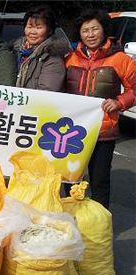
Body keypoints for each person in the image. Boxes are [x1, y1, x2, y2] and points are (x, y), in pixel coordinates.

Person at [65, 9, 136, 209]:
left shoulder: (120, 59)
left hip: (103, 132)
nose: (90, 34)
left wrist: (120, 103)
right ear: (79, 33)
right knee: (68, 180)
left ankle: (99, 229)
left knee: (100, 181)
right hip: (70, 133)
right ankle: (71, 222)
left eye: (95, 29)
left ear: (104, 30)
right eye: (85, 30)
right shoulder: (70, 57)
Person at [13, 5, 70, 91]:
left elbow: (46, 93)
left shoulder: (52, 58)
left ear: (49, 30)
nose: (33, 32)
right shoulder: (15, 51)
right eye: (30, 27)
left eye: (38, 27)